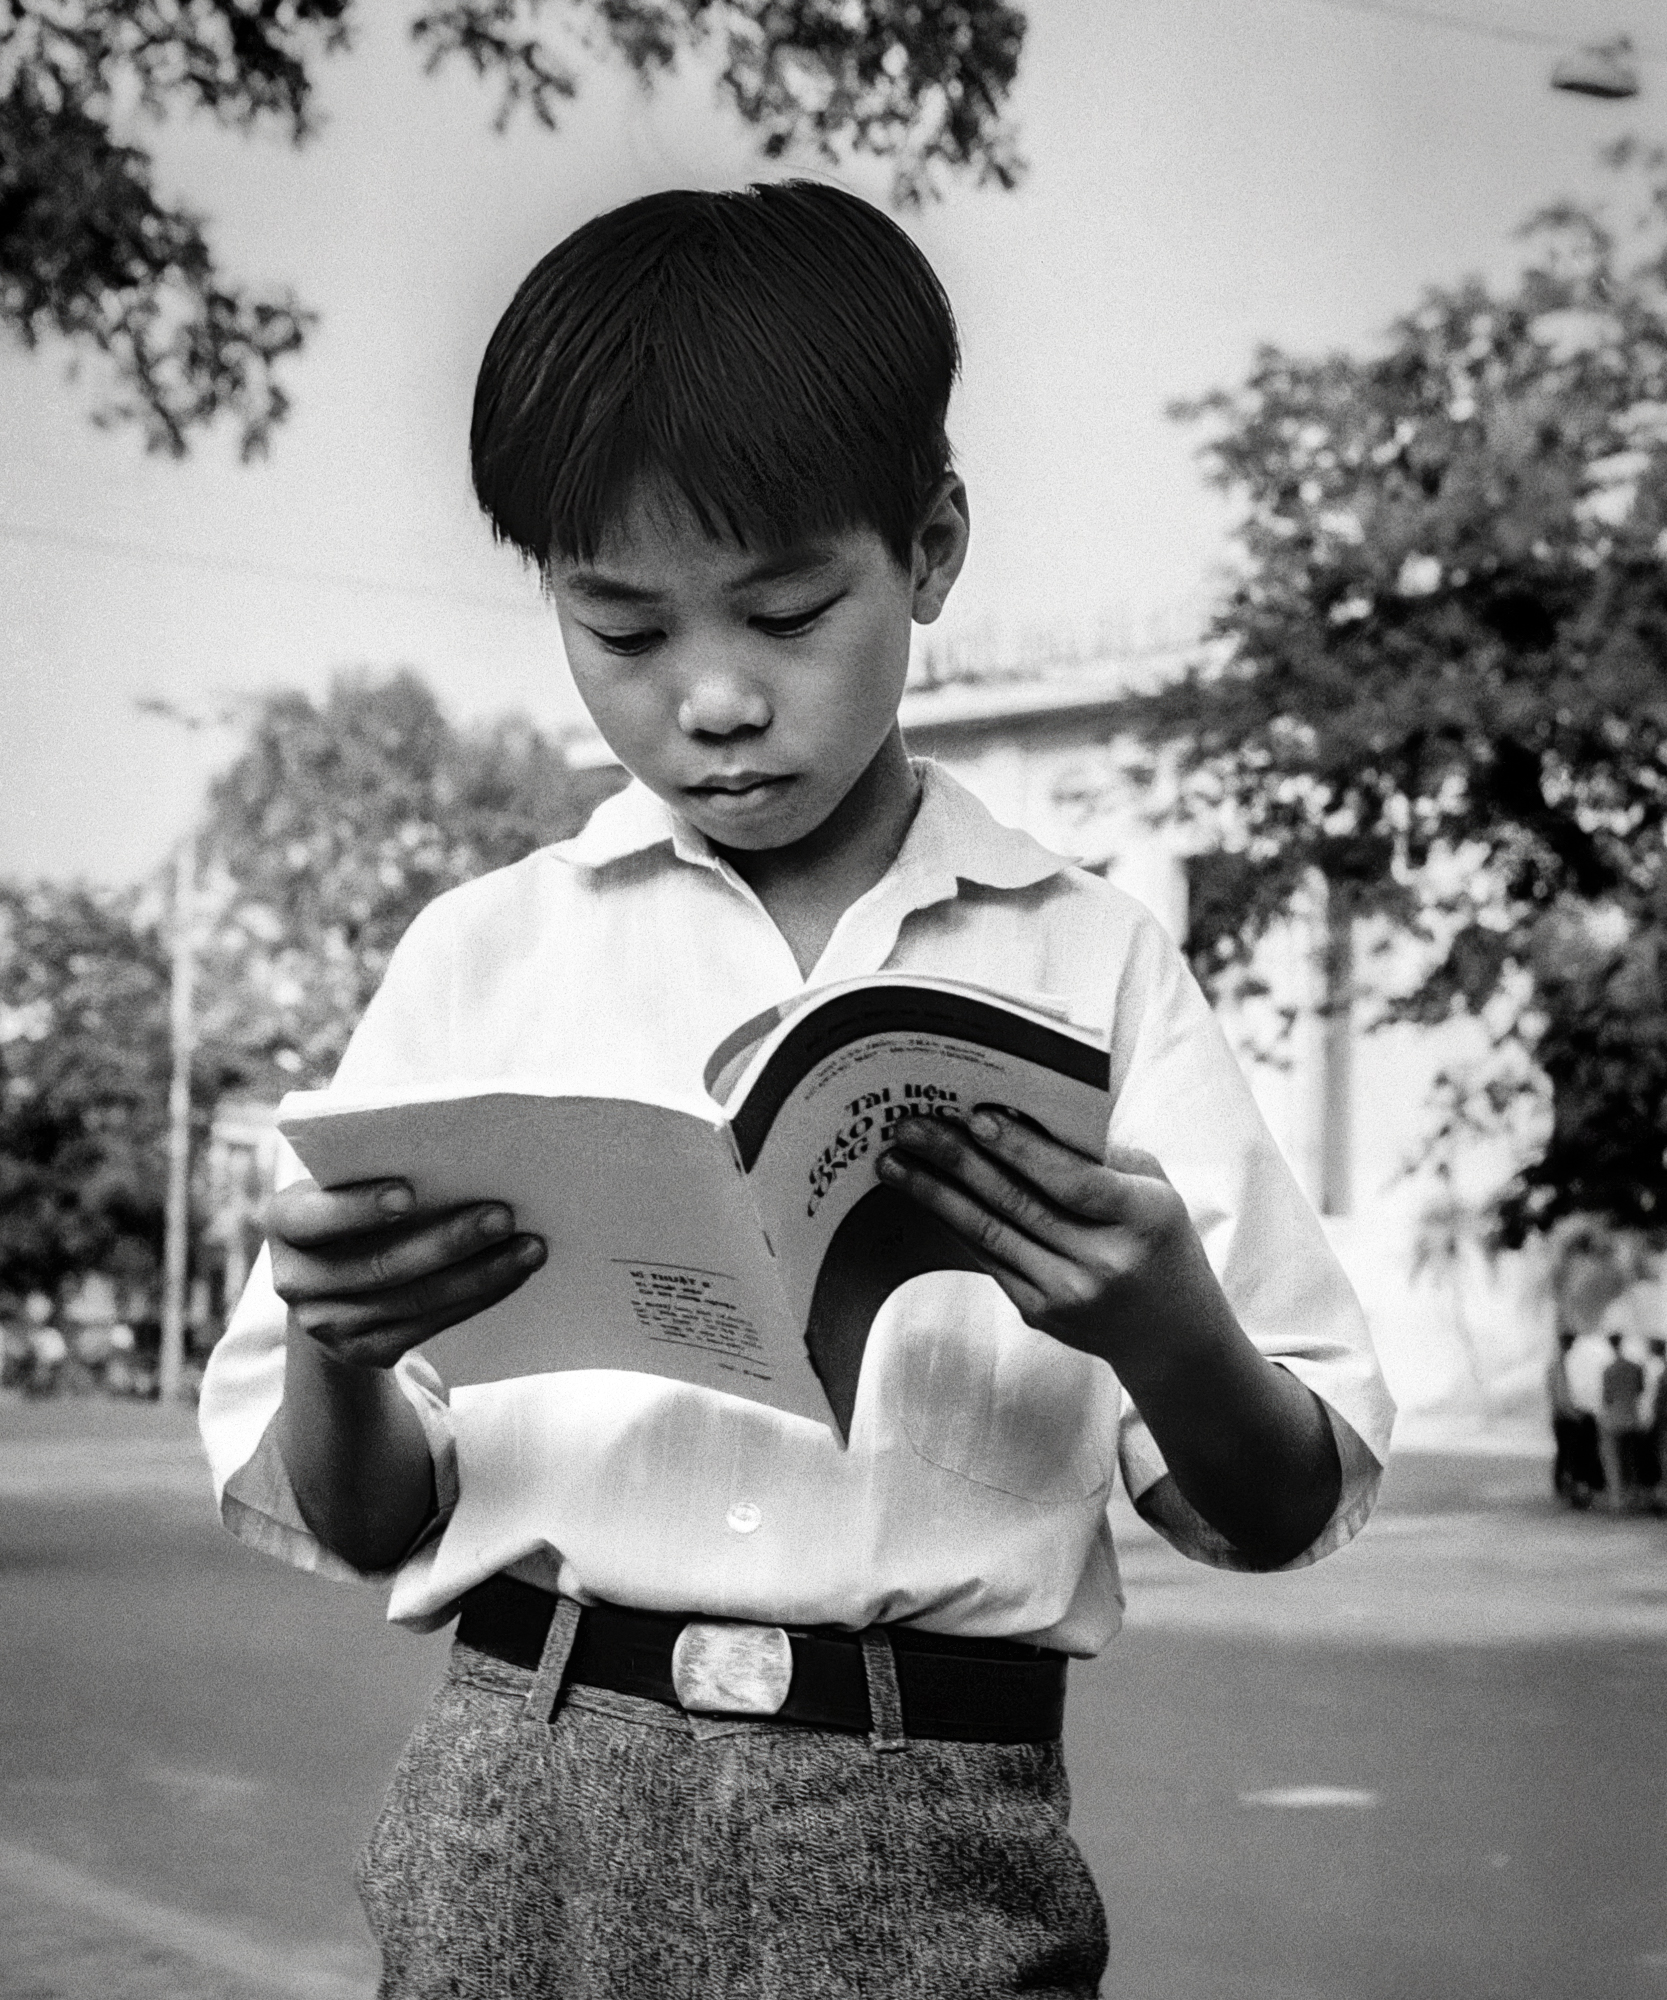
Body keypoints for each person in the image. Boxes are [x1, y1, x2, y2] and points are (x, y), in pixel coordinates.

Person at [199, 183, 1394, 1998]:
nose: (715, 700)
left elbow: (1282, 1501)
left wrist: (1164, 1323)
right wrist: (338, 1345)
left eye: (783, 610)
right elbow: (358, 1513)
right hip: (524, 1805)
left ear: (928, 548)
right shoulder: (484, 958)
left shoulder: (1094, 964)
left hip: (930, 1831)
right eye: (623, 633)